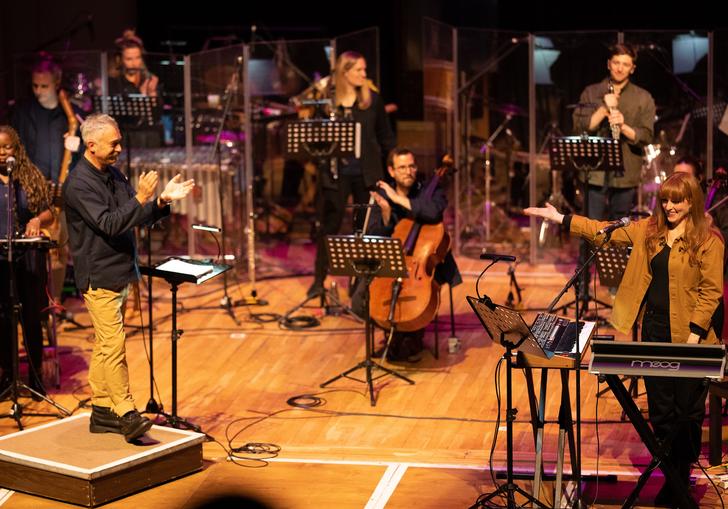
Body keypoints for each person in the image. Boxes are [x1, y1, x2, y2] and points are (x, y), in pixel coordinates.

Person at [524, 171, 724, 505]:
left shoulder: (709, 240)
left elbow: (711, 291)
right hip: (655, 331)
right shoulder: (650, 230)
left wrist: (693, 336)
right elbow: (603, 231)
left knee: (686, 414)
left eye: (678, 200)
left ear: (691, 201)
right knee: (660, 411)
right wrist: (561, 217)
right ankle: (669, 475)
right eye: (666, 200)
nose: (670, 206)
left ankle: (682, 474)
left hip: (692, 336)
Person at [63, 114, 194, 442]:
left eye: (119, 141)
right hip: (99, 275)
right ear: (91, 146)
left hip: (120, 270)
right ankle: (125, 411)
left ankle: (102, 409)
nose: (120, 148)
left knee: (105, 345)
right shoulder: (79, 183)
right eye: (114, 143)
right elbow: (108, 223)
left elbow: (130, 216)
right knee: (113, 344)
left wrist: (160, 202)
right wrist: (140, 197)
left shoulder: (112, 174)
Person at [357, 148, 461, 362]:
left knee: (415, 304)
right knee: (359, 300)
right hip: (392, 263)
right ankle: (393, 331)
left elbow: (432, 213)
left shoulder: (431, 191)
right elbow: (375, 237)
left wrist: (399, 199)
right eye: (402, 167)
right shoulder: (383, 195)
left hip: (425, 265)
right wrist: (386, 214)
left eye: (412, 166)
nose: (408, 171)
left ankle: (408, 335)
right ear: (391, 171)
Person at [307, 51, 396, 298]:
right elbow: (314, 140)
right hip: (337, 174)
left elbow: (386, 137)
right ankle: (318, 281)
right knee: (330, 227)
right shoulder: (327, 103)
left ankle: (361, 287)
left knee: (365, 229)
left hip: (366, 174)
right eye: (359, 70)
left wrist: (395, 167)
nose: (364, 75)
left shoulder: (372, 100)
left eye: (364, 70)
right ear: (344, 72)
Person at [12, 54, 82, 310]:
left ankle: (54, 305)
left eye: (44, 86)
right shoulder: (23, 112)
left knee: (58, 250)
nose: (39, 91)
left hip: (61, 192)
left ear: (57, 82)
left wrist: (78, 146)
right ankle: (31, 306)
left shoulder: (71, 114)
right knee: (30, 251)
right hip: (32, 190)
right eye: (35, 86)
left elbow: (87, 154)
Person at [0, 125, 55, 398]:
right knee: (2, 319)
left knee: (30, 318)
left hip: (27, 259)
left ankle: (35, 379)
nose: (2, 152)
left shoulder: (28, 176)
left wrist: (36, 219)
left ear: (16, 149)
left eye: (7, 147)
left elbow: (49, 213)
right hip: (0, 260)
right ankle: (8, 377)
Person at [573, 43, 656, 220]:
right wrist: (604, 108)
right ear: (608, 64)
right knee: (588, 227)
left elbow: (647, 136)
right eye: (616, 62)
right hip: (594, 171)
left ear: (632, 69)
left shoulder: (643, 97)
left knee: (619, 230)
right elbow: (580, 126)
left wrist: (623, 126)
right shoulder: (591, 92)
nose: (620, 68)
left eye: (625, 64)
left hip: (626, 172)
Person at [108, 29, 163, 148]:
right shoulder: (115, 83)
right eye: (129, 59)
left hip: (149, 137)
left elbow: (158, 116)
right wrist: (142, 97)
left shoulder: (149, 80)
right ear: (120, 60)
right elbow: (118, 117)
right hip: (126, 137)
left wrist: (152, 94)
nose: (134, 63)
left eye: (137, 58)